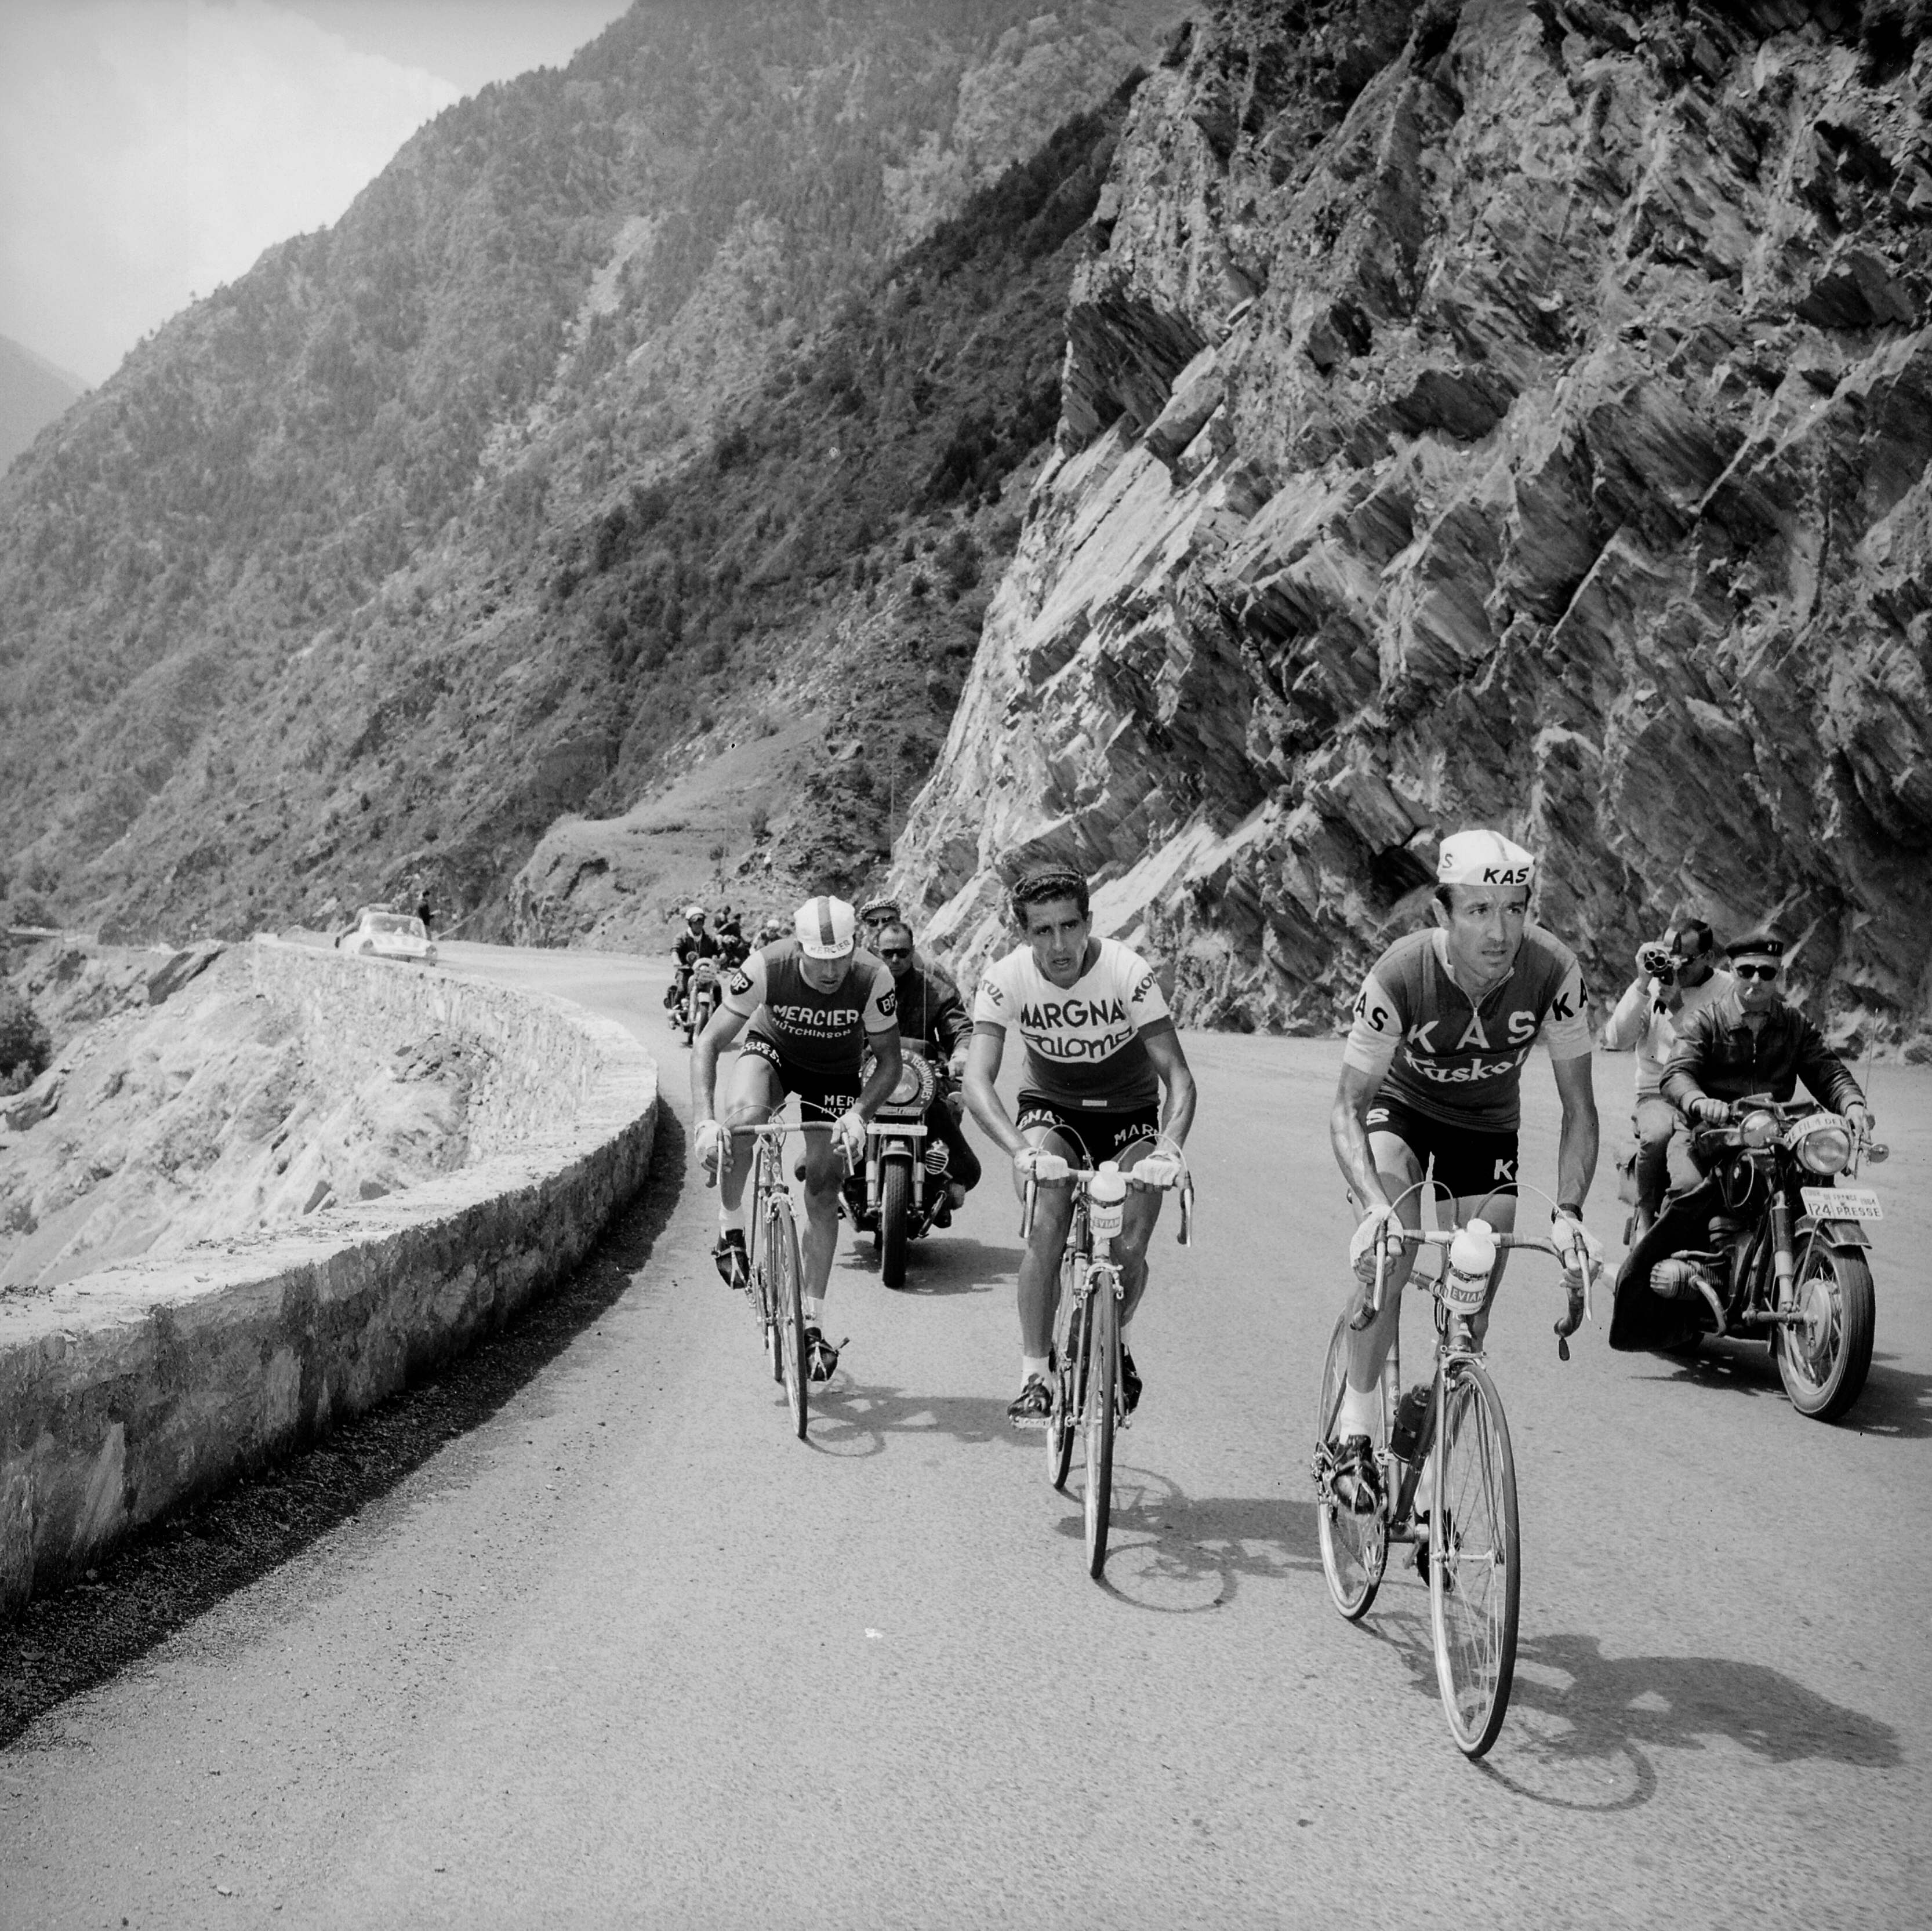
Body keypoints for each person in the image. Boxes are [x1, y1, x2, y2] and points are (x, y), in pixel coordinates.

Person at [1326, 829, 1600, 1519]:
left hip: (1485, 1131)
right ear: (1441, 912)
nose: (1499, 929)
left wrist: (1567, 1214)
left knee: (1469, 1310)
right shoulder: (1399, 973)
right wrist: (1371, 1206)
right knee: (1393, 1249)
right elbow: (1346, 1107)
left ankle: (1423, 1486)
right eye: (1477, 910)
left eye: (1513, 908)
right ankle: (1354, 1431)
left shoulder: (1553, 971)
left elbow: (1579, 1109)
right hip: (1403, 1112)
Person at [963, 866, 1195, 1427]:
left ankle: (1117, 1341)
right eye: (1043, 931)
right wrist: (1021, 1149)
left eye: (1071, 926)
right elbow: (976, 1082)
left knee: (1131, 1250)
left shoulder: (1126, 971)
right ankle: (1035, 1377)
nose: (1060, 944)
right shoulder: (1005, 978)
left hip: (1130, 1117)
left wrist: (1168, 1149)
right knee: (1046, 1222)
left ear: (1090, 921)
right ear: (1024, 934)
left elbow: (1179, 1078)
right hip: (1051, 1113)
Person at [1611, 930, 1870, 1345]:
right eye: (1746, 970)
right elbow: (1678, 1072)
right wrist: (1699, 1101)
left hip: (1770, 1134)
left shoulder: (1793, 1024)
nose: (1755, 980)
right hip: (1707, 1134)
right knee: (1689, 1190)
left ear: (1778, 975)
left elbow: (1827, 1069)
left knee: (1810, 1182)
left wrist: (1852, 1104)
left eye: (1765, 972)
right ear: (1733, 971)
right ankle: (1660, 1292)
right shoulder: (1707, 1018)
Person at [691, 895, 903, 1381]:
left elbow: (889, 1062)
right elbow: (708, 1042)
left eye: (841, 959)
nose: (831, 972)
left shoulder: (874, 978)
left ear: (855, 949)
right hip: (773, 1051)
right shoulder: (767, 966)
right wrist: (704, 1121)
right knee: (742, 1121)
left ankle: (812, 1325)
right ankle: (730, 1230)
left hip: (834, 1074)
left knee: (825, 1188)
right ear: (799, 948)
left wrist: (860, 1115)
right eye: (819, 959)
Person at [1599, 920, 1730, 1235]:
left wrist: (1677, 1007)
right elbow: (1615, 1038)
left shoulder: (1726, 990)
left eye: (1683, 961)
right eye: (1668, 959)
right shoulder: (1656, 987)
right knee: (1656, 1135)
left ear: (1708, 958)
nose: (1674, 969)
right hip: (1656, 1092)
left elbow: (1717, 1049)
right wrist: (1643, 985)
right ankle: (1646, 1218)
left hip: (1702, 1091)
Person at [873, 918, 981, 1216]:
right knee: (833, 1120)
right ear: (877, 951)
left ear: (913, 951)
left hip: (923, 1078)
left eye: (903, 952)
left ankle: (944, 1177)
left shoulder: (933, 988)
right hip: (870, 1074)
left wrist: (961, 1053)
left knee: (949, 1105)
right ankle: (827, 1167)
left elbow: (958, 1025)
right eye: (888, 953)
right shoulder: (862, 984)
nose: (896, 959)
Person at [664, 905, 720, 1020]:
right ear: (690, 924)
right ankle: (676, 1010)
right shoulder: (682, 937)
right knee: (682, 989)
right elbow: (675, 950)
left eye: (701, 922)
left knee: (717, 987)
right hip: (686, 971)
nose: (698, 925)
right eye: (695, 923)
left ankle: (717, 1014)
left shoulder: (710, 939)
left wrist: (720, 960)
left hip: (705, 972)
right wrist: (677, 961)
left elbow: (721, 951)